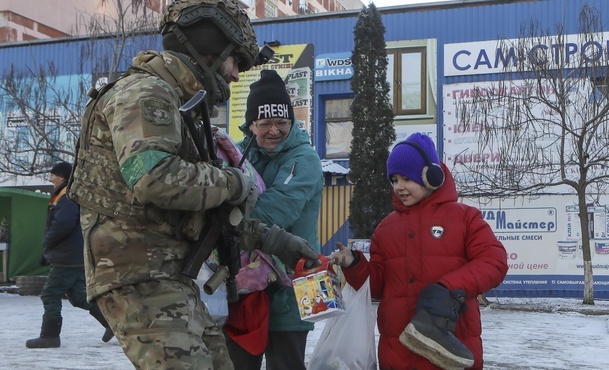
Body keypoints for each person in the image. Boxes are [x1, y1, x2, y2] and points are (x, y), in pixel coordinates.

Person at [66, 1, 319, 369]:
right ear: (212, 50)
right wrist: (234, 182)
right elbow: (155, 178)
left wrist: (272, 240)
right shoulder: (146, 93)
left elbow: (203, 212)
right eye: (237, 62)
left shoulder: (179, 106)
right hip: (139, 274)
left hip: (170, 275)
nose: (235, 75)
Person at [328, 133, 509, 370]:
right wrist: (354, 264)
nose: (399, 187)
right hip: (398, 354)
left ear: (431, 176)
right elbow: (379, 286)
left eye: (406, 178)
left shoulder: (465, 218)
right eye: (393, 179)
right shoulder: (386, 228)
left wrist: (448, 289)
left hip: (450, 352)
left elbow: (494, 262)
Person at [224, 69, 324, 370]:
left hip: (295, 285)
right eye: (265, 123)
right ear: (251, 124)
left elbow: (277, 209)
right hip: (246, 288)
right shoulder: (239, 155)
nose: (274, 130)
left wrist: (222, 217)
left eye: (282, 122)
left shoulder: (304, 158)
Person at [26, 161, 113, 349]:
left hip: (67, 257)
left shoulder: (67, 197)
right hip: (73, 256)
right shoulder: (68, 194)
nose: (50, 178)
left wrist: (47, 243)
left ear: (62, 177)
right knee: (79, 297)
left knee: (50, 294)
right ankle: (113, 323)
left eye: (53, 174)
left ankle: (49, 336)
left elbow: (62, 224)